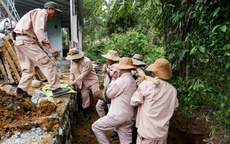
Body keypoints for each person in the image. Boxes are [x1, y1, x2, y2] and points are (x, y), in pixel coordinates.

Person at [13, 1, 70, 97]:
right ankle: (56, 88)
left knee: (28, 69)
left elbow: (36, 37)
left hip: (19, 40)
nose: (55, 15)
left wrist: (44, 50)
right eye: (55, 12)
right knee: (48, 64)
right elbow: (39, 31)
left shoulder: (35, 14)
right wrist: (51, 49)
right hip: (26, 40)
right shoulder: (41, 13)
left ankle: (21, 91)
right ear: (49, 9)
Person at [130, 58, 179, 144]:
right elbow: (175, 107)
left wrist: (141, 85)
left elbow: (133, 102)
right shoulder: (173, 90)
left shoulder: (146, 84)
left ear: (154, 72)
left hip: (146, 134)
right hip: (162, 134)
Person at [92, 57, 137, 144]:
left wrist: (113, 79)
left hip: (118, 115)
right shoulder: (132, 80)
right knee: (126, 141)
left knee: (96, 127)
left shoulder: (121, 80)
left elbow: (109, 94)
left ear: (121, 68)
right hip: (128, 115)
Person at [66, 48, 100, 120]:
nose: (73, 60)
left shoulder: (87, 61)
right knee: (84, 97)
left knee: (97, 94)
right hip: (81, 83)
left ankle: (101, 110)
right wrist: (71, 81)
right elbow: (72, 72)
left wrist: (73, 82)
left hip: (91, 81)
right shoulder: (72, 62)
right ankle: (86, 112)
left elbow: (83, 75)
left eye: (74, 58)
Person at [96, 50, 120, 117]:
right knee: (99, 106)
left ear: (111, 59)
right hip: (106, 89)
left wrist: (107, 70)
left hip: (112, 90)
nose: (106, 60)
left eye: (108, 59)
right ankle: (104, 121)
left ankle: (109, 125)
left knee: (110, 109)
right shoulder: (109, 66)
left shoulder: (117, 68)